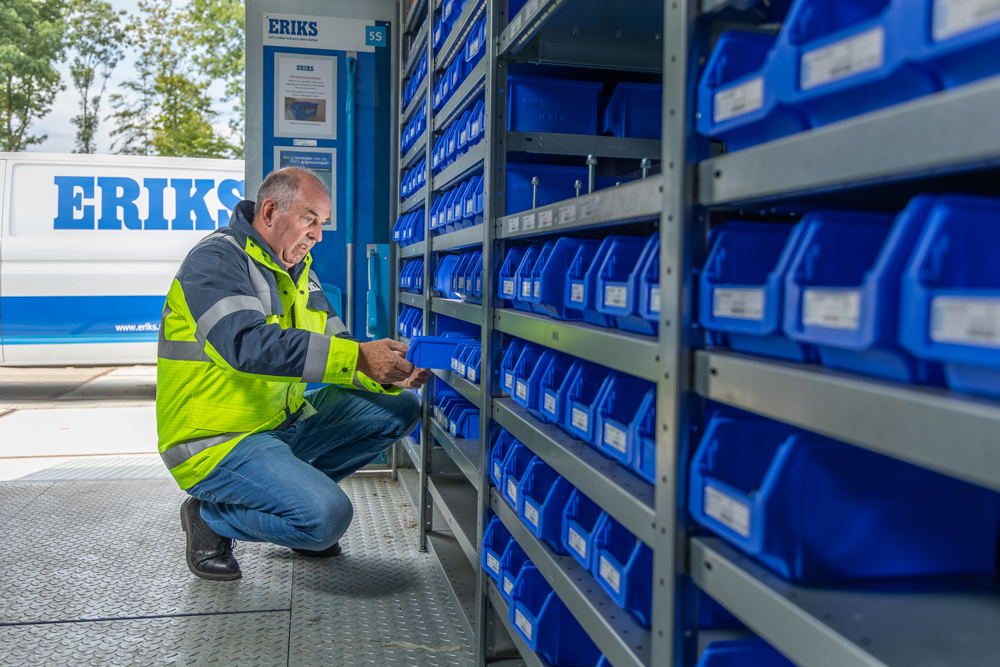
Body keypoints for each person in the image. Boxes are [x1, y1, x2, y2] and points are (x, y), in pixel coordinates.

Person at [156, 167, 427, 581]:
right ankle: (212, 517)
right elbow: (245, 345)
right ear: (269, 211)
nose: (318, 234)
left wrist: (386, 373)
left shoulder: (302, 272)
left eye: (322, 223)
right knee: (325, 520)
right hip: (217, 442)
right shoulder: (216, 260)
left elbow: (342, 345)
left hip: (279, 425)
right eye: (310, 219)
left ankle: (287, 496)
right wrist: (358, 358)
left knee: (399, 408)